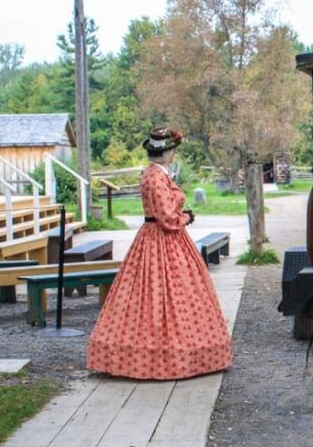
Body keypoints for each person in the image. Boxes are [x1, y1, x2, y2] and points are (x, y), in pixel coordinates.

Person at [87, 127, 232, 380]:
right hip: (161, 239)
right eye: (173, 151)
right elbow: (166, 218)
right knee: (163, 293)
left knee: (157, 294)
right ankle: (166, 356)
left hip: (157, 238)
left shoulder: (155, 175)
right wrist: (185, 217)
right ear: (167, 153)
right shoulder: (155, 178)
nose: (174, 154)